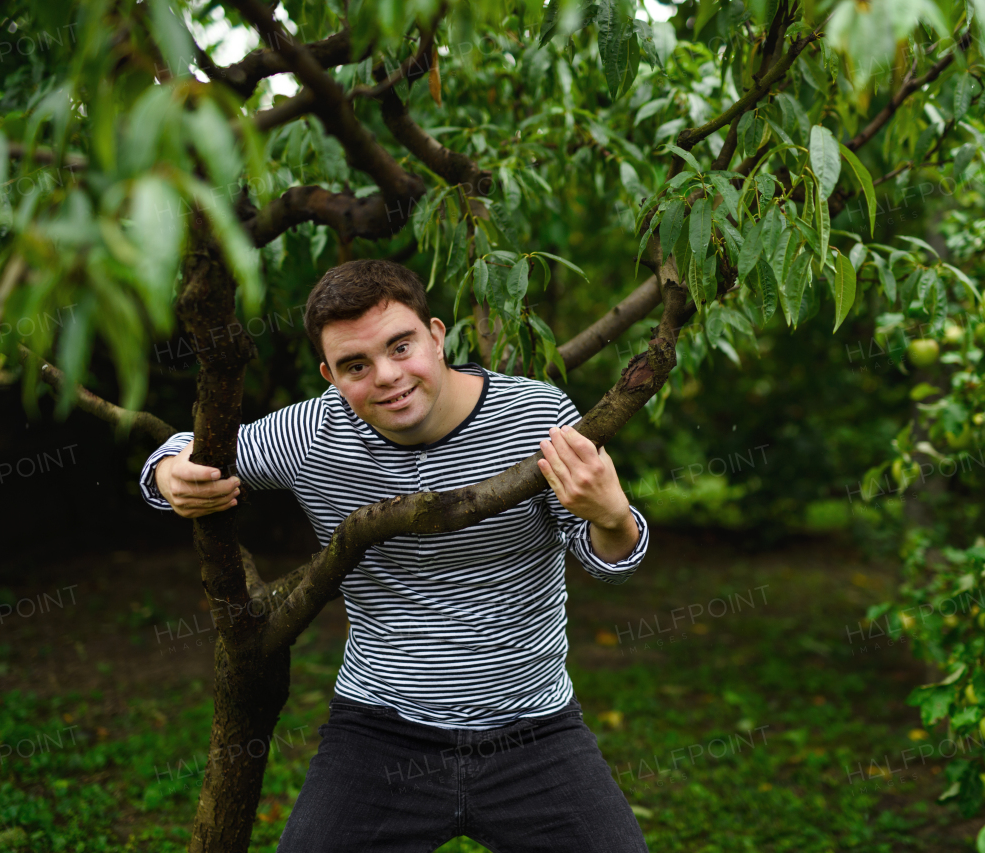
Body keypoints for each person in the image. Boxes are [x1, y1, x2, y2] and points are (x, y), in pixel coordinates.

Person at [139, 259, 651, 852]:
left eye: (400, 346)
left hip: (534, 730)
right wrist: (168, 473)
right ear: (331, 375)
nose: (386, 376)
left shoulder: (536, 417)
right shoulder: (312, 434)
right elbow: (194, 453)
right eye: (357, 365)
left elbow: (610, 559)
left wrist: (613, 516)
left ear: (436, 335)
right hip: (380, 734)